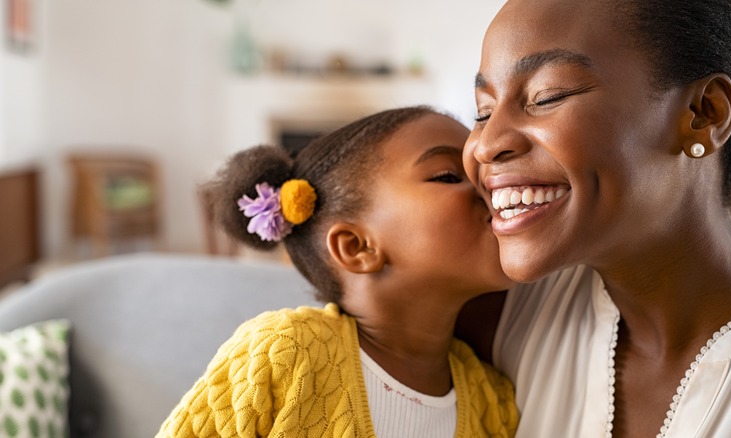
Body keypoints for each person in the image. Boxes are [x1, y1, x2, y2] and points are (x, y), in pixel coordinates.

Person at [456, 0, 731, 437]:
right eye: (483, 111)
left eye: (547, 96)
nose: (485, 143)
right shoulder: (498, 317)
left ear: (705, 114)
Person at [157, 106, 518, 437]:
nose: (490, 186)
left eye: (483, 173)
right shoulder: (283, 353)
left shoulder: (493, 402)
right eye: (447, 175)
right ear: (357, 248)